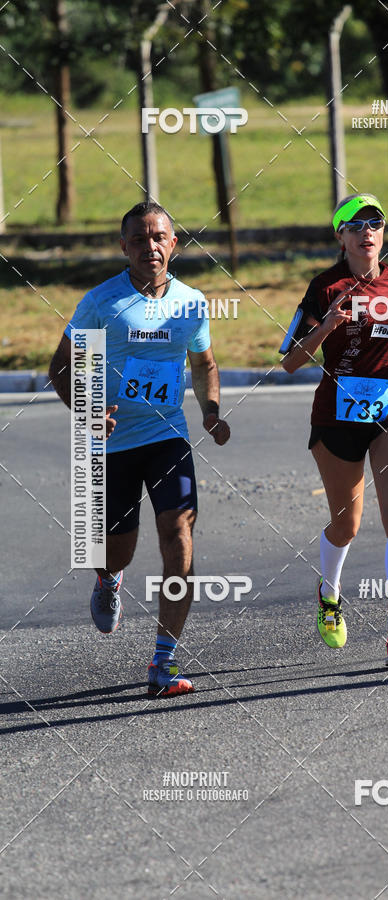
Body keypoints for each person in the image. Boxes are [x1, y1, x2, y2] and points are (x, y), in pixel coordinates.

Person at [49, 200, 230, 696]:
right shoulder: (102, 304)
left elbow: (204, 364)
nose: (150, 246)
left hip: (167, 434)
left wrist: (210, 411)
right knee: (116, 550)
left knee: (179, 532)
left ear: (173, 243)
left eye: (160, 237)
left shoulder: (191, 302)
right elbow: (61, 368)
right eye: (139, 238)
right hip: (111, 442)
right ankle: (108, 580)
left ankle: (163, 662)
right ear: (123, 246)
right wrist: (88, 413)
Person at [280, 192, 388, 666]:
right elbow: (290, 362)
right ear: (340, 235)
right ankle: (329, 593)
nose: (367, 231)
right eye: (356, 224)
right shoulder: (324, 287)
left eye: (375, 223)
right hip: (337, 417)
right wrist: (328, 324)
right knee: (347, 524)